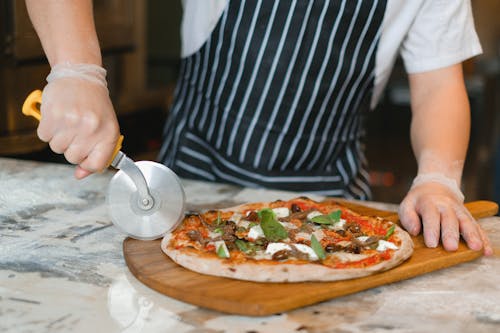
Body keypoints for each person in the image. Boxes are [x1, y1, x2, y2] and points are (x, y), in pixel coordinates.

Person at [25, 0, 492, 255]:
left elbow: (437, 85)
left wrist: (438, 179)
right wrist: (77, 69)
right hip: (191, 190)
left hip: (335, 213)